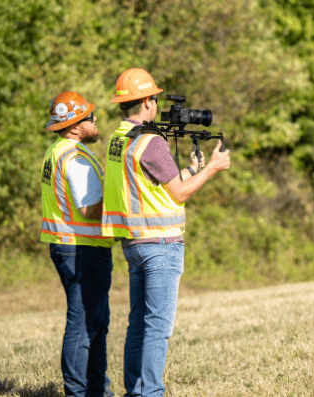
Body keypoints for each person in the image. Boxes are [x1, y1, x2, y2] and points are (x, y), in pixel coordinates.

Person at [101, 68, 231, 397]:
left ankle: (136, 391)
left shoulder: (119, 140)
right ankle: (151, 393)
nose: (157, 105)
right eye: (154, 99)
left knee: (139, 323)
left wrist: (191, 170)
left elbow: (157, 186)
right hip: (161, 244)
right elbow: (181, 194)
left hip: (135, 243)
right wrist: (213, 168)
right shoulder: (152, 143)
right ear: (146, 102)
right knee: (157, 328)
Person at [40, 91, 117, 397]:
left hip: (69, 245)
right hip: (81, 248)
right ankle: (78, 392)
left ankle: (98, 390)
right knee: (84, 323)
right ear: (74, 127)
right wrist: (119, 198)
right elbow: (88, 209)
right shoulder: (75, 158)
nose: (95, 119)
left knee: (94, 321)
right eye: (88, 117)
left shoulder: (57, 151)